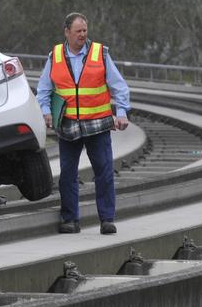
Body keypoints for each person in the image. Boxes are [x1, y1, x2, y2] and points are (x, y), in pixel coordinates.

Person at [35, 12, 131, 235]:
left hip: (97, 125)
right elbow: (43, 90)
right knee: (68, 174)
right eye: (77, 31)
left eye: (84, 30)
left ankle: (107, 219)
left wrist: (122, 112)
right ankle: (70, 220)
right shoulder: (55, 56)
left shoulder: (101, 53)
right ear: (66, 32)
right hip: (68, 126)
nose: (82, 35)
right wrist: (46, 112)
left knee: (104, 172)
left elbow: (119, 86)